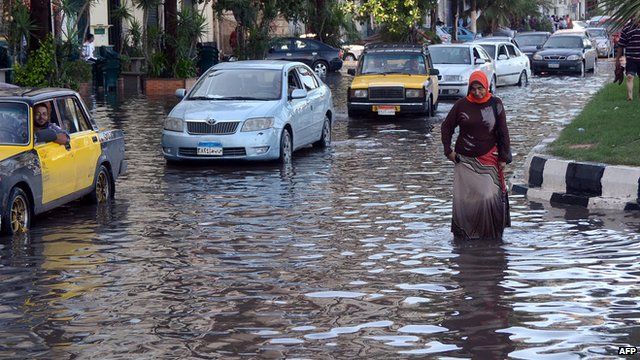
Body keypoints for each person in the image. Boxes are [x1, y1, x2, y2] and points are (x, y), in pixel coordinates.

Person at [441, 70, 511, 241]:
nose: (477, 92)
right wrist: (448, 151)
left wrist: (503, 157)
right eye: (473, 89)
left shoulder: (496, 104)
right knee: (466, 198)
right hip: (464, 161)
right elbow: (446, 127)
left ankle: (490, 235)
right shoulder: (461, 105)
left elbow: (503, 132)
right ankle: (467, 234)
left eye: (480, 88)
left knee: (488, 196)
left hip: (489, 159)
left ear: (486, 87)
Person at [616, 19, 640, 101]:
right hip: (631, 58)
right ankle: (630, 96)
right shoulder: (627, 28)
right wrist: (618, 62)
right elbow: (621, 45)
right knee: (629, 77)